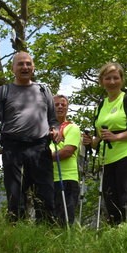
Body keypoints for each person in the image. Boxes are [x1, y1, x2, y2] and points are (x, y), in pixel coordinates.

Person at [0, 52, 58, 223]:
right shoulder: (3, 92)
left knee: (46, 193)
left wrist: (55, 130)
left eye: (28, 64)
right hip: (13, 147)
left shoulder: (43, 90)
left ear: (33, 67)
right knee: (15, 193)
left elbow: (53, 120)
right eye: (20, 64)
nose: (25, 67)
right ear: (13, 69)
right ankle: (14, 231)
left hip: (40, 146)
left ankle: (46, 231)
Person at [82, 62, 127, 225]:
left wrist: (117, 137)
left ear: (121, 80)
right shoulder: (100, 106)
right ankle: (117, 240)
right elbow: (100, 140)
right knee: (111, 203)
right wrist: (91, 142)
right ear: (101, 81)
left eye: (115, 78)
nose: (112, 82)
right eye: (108, 78)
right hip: (108, 159)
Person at [50, 94, 81, 226]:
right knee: (48, 218)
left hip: (67, 178)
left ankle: (66, 245)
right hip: (48, 179)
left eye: (63, 104)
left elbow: (68, 151)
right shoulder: (44, 129)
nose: (60, 107)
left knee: (65, 219)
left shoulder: (72, 128)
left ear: (67, 108)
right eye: (56, 104)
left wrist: (43, 159)